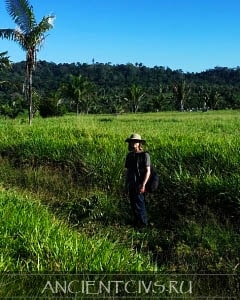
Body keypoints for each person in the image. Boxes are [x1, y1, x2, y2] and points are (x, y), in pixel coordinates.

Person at [125, 133, 151, 228]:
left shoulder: (145, 155)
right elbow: (128, 171)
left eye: (135, 141)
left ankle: (143, 225)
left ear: (139, 143)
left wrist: (143, 184)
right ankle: (137, 224)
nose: (133, 143)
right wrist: (126, 183)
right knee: (133, 204)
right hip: (131, 183)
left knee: (140, 204)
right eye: (132, 141)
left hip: (140, 184)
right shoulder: (129, 156)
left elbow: (148, 171)